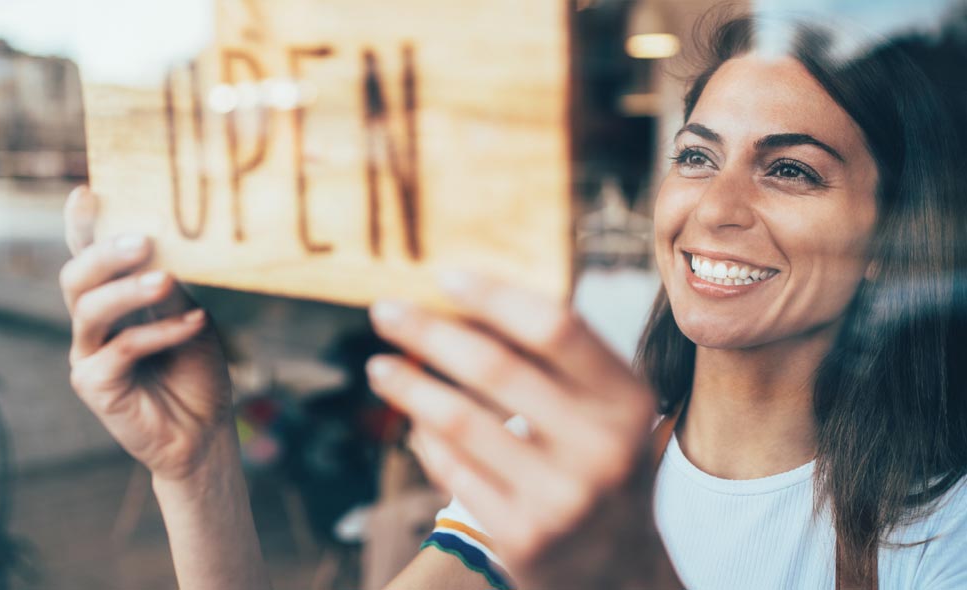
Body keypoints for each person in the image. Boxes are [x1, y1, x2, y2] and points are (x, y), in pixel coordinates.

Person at [59, 12, 967, 590]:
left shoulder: (941, 532)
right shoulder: (553, 470)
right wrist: (198, 467)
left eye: (790, 170)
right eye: (696, 155)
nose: (715, 209)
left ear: (892, 238)